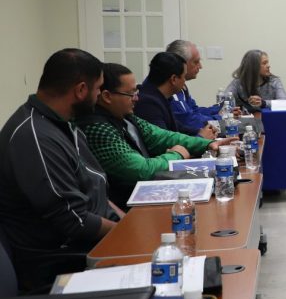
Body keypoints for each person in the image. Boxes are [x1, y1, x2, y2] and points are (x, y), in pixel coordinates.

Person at [0, 49, 121, 291]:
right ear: (81, 90)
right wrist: (126, 233)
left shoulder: (61, 122)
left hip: (88, 244)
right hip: (61, 263)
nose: (99, 95)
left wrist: (129, 223)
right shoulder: (34, 138)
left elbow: (94, 187)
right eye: (98, 88)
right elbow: (76, 221)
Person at [80, 63, 228, 207]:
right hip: (130, 204)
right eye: (130, 94)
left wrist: (207, 144)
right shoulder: (97, 128)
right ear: (107, 96)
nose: (136, 98)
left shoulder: (125, 116)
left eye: (136, 92)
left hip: (146, 193)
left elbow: (162, 136)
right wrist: (177, 155)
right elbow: (141, 170)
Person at [166, 39, 219, 139]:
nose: (200, 66)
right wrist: (219, 119)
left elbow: (194, 111)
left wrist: (218, 109)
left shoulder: (181, 86)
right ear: (181, 63)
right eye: (196, 62)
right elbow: (190, 122)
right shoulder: (172, 88)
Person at [133, 51, 186, 132]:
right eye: (184, 76)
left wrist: (199, 132)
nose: (185, 81)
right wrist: (200, 136)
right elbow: (164, 138)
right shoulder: (148, 104)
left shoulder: (160, 96)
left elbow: (178, 127)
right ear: (174, 79)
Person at [224, 49, 286, 113]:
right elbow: (224, 99)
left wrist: (263, 103)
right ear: (253, 67)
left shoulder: (274, 81)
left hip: (268, 118)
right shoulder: (238, 83)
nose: (268, 66)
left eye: (267, 62)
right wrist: (234, 110)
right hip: (246, 119)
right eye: (264, 63)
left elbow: (284, 102)